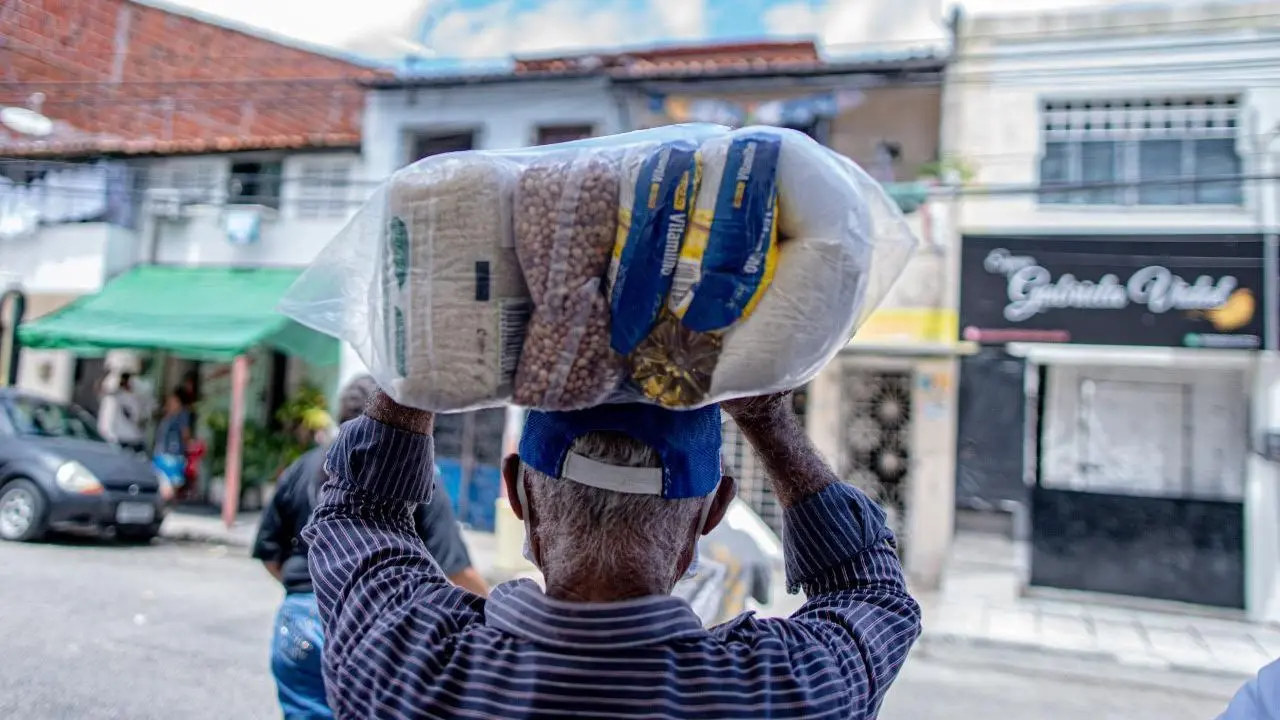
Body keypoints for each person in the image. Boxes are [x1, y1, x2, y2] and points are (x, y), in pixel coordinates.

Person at [304, 388, 921, 719]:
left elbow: (357, 512)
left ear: (518, 492)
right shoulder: (784, 692)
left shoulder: (403, 662)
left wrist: (420, 372)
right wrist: (767, 418)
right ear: (712, 511)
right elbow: (870, 594)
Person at [253, 376, 489, 720]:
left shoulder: (301, 468)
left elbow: (270, 552)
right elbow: (457, 570)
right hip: (374, 626)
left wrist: (314, 589)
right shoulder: (416, 479)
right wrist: (497, 617)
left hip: (298, 621)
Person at [97, 372, 147, 453]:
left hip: (135, 436)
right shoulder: (119, 395)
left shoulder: (137, 396)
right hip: (123, 436)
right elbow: (105, 391)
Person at [152, 393, 191, 493]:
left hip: (173, 453)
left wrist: (186, 446)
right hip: (162, 452)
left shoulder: (181, 416)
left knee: (173, 481)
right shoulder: (168, 417)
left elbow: (185, 433)